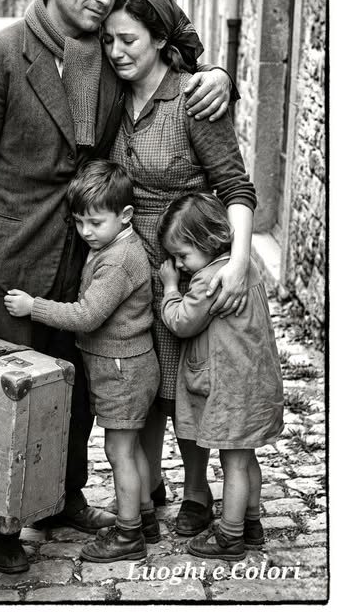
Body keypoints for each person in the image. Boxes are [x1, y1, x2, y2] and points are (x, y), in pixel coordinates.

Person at [0, 0, 231, 574]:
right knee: (6, 395)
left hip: (88, 260)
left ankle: (64, 497)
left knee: (76, 395)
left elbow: (164, 54)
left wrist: (216, 75)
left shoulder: (104, 51)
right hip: (10, 260)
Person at [102, 0, 256, 538]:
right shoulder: (110, 98)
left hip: (184, 271)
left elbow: (237, 187)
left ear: (161, 40)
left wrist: (237, 263)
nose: (116, 51)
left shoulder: (193, 97)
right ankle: (149, 486)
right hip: (127, 273)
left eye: (128, 40)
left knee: (186, 386)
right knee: (140, 385)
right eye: (109, 40)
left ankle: (196, 491)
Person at [4, 160, 160, 562]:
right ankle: (143, 517)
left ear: (125, 216)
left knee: (119, 450)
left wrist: (32, 307)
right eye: (78, 222)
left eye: (94, 222)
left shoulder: (120, 259)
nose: (86, 232)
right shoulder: (112, 244)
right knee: (129, 445)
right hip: (122, 366)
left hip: (122, 370)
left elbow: (87, 315)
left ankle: (128, 536)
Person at [158, 192, 284, 559]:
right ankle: (251, 523)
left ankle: (229, 536)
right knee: (246, 458)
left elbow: (181, 323)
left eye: (183, 255)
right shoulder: (246, 268)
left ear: (209, 242)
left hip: (231, 387)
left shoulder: (208, 281)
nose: (180, 265)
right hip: (256, 380)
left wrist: (169, 289)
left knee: (232, 463)